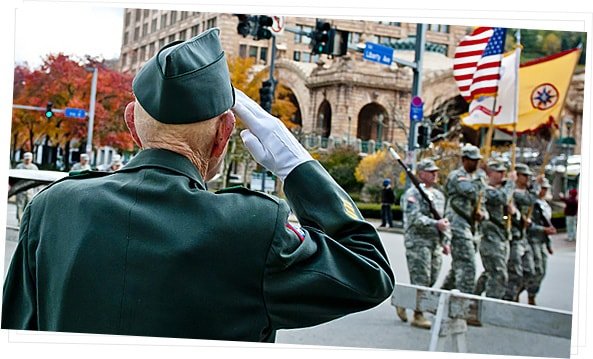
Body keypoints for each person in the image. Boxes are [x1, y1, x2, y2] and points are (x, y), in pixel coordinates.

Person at [2, 28, 394, 342]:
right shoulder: (252, 227)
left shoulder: (52, 208)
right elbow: (368, 273)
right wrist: (299, 168)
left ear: (130, 124)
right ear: (224, 134)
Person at [397, 158, 450, 329]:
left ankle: (403, 300)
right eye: (430, 171)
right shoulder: (412, 194)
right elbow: (414, 218)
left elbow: (444, 219)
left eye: (436, 171)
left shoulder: (440, 196)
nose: (435, 174)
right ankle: (418, 315)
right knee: (421, 278)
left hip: (434, 243)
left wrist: (445, 241)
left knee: (432, 277)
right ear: (420, 174)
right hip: (418, 242)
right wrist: (435, 224)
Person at [441, 144, 487, 294]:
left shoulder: (476, 178)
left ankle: (440, 297)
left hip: (471, 227)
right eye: (472, 160)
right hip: (457, 226)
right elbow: (470, 191)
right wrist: (481, 180)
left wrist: (482, 214)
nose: (476, 163)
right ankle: (465, 304)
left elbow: (482, 200)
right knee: (468, 266)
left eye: (477, 160)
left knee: (458, 266)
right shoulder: (457, 176)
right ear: (464, 160)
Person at [474, 159, 516, 299]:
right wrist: (511, 182)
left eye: (504, 172)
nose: (503, 174)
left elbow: (510, 208)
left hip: (503, 237)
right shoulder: (486, 189)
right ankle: (490, 307)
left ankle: (473, 299)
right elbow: (501, 198)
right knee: (498, 274)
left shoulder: (504, 190)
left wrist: (513, 212)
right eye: (499, 172)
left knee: (490, 272)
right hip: (490, 238)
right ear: (490, 173)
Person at [503, 163, 541, 302]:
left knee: (530, 271)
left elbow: (532, 200)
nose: (527, 178)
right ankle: (509, 298)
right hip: (513, 236)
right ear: (517, 175)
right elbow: (529, 200)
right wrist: (537, 186)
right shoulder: (512, 192)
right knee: (514, 272)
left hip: (523, 236)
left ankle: (516, 293)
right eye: (524, 175)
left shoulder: (526, 191)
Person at [525, 178, 556, 305]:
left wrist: (549, 244)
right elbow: (528, 223)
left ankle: (531, 293)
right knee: (535, 270)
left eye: (545, 188)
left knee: (542, 271)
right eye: (542, 188)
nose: (544, 191)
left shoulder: (545, 205)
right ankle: (527, 294)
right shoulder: (532, 204)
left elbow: (547, 223)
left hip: (542, 240)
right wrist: (543, 229)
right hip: (532, 240)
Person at [14, 152, 39, 225]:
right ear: (24, 159)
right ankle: (20, 222)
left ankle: (26, 222)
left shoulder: (34, 168)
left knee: (28, 206)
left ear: (31, 159)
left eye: (29, 159)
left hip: (30, 190)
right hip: (20, 189)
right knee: (20, 206)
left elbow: (37, 179)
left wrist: (36, 189)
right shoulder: (19, 167)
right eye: (26, 159)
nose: (27, 160)